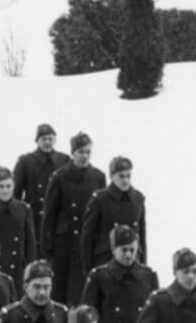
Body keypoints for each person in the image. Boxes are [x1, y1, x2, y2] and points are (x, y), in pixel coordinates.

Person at [41, 133, 106, 304]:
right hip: (64, 243)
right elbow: (49, 214)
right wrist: (47, 248)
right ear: (73, 153)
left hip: (87, 243)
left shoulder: (98, 177)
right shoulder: (59, 176)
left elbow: (102, 213)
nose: (84, 156)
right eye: (81, 152)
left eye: (88, 152)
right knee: (59, 291)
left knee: (83, 291)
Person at [82, 156, 147, 277]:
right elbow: (87, 236)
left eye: (128, 176)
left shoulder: (138, 198)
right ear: (112, 176)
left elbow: (142, 236)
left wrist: (143, 265)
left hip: (132, 260)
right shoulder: (100, 199)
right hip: (106, 260)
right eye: (121, 176)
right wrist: (88, 270)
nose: (126, 180)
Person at [13, 124, 67, 225]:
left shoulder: (64, 160)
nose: (47, 142)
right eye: (43, 139)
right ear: (37, 141)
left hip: (58, 217)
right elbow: (16, 192)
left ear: (55, 140)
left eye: (50, 139)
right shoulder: (25, 161)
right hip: (33, 216)